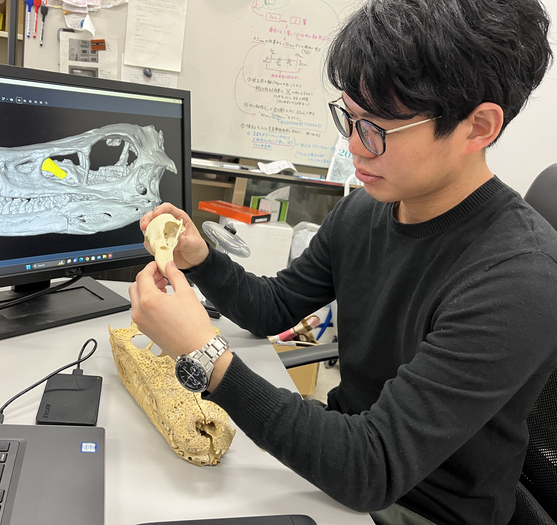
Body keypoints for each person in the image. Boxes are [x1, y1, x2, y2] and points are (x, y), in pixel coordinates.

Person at [128, 0, 557, 523]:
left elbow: (371, 468)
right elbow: (274, 307)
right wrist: (201, 260)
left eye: (376, 127)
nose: (353, 145)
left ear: (477, 127)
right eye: (348, 117)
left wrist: (204, 355)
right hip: (341, 467)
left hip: (418, 505)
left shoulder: (522, 277)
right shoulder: (365, 209)